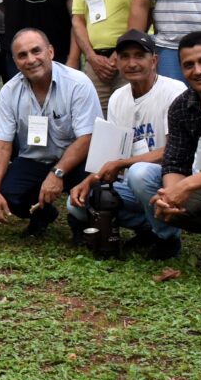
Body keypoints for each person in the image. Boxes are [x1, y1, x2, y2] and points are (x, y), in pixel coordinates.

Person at [66, 30, 187, 258]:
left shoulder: (174, 92)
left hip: (173, 180)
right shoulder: (117, 98)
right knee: (76, 204)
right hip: (135, 183)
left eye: (139, 56)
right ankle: (147, 228)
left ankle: (168, 239)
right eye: (124, 56)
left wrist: (124, 163)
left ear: (154, 60)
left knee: (139, 173)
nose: (132, 63)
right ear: (117, 61)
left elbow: (173, 151)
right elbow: (111, 157)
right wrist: (88, 181)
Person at [0, 28, 101, 237]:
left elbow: (87, 138)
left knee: (93, 181)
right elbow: (2, 145)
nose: (30, 60)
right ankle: (43, 214)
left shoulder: (78, 83)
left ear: (50, 51)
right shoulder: (8, 92)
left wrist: (57, 173)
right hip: (35, 159)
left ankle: (80, 223)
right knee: (9, 193)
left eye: (36, 51)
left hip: (77, 160)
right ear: (15, 60)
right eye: (22, 55)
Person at [144, 31, 201, 262]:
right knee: (163, 204)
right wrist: (170, 197)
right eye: (189, 65)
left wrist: (186, 186)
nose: (198, 71)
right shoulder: (181, 108)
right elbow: (174, 162)